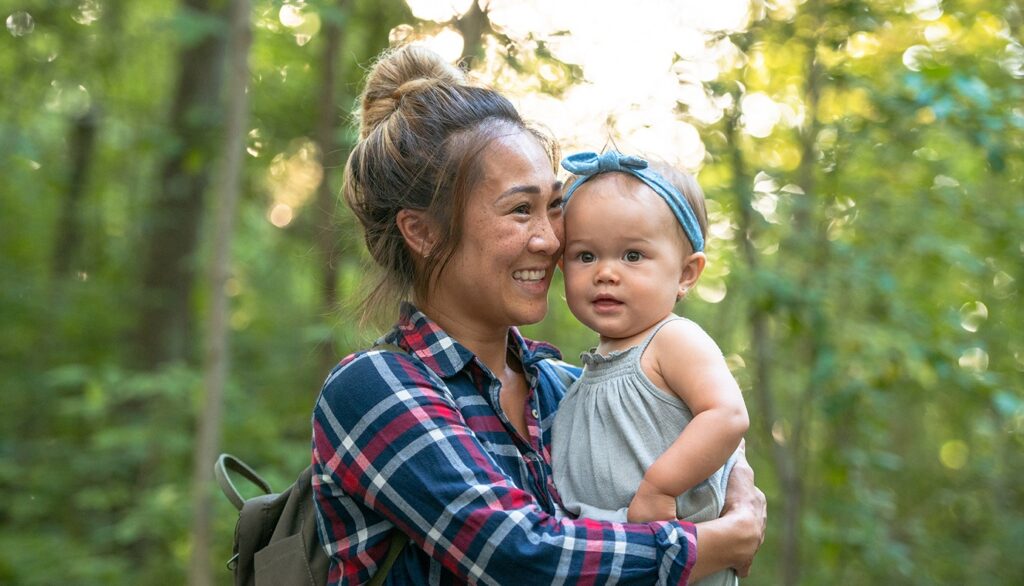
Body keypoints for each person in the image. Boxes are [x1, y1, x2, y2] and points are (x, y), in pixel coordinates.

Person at [311, 44, 765, 585]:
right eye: (521, 209)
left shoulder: (565, 390)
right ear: (423, 232)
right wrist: (708, 544)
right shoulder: (374, 388)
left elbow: (716, 451)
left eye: (553, 205)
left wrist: (734, 485)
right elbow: (523, 557)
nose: (552, 239)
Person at [550, 150, 749, 586]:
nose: (605, 272)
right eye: (585, 256)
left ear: (686, 273)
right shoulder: (581, 380)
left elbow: (728, 415)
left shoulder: (672, 341)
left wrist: (660, 487)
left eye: (633, 256)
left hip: (684, 566)